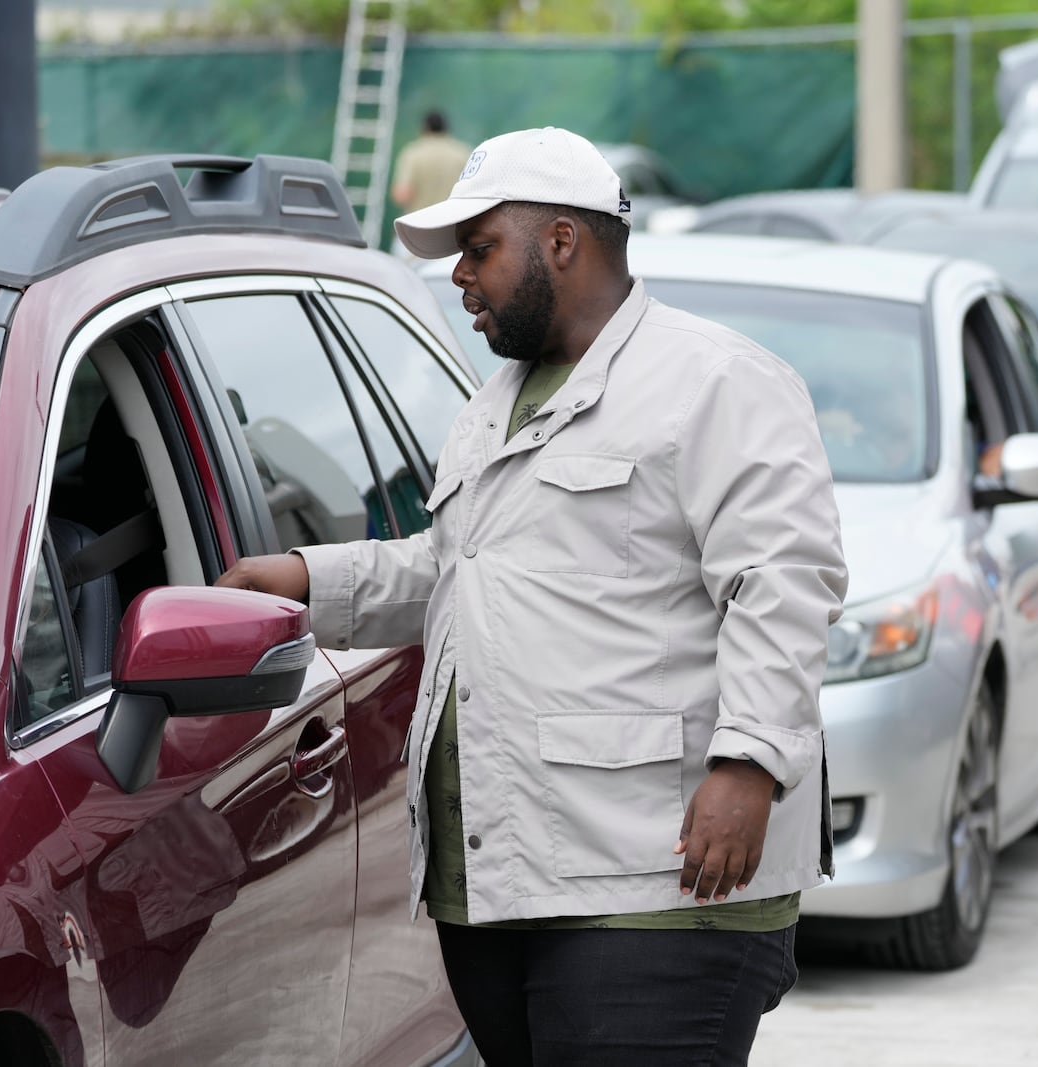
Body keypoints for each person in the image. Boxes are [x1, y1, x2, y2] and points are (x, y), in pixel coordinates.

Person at [216, 127, 847, 1065]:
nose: (462, 278)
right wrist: (313, 580)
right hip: (504, 885)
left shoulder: (714, 380)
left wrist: (749, 762)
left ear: (562, 240)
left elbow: (783, 582)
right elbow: (463, 570)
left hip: (655, 888)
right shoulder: (498, 399)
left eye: (480, 249)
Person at [390, 110, 473, 214]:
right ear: (447, 128)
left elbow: (402, 195)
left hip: (418, 223)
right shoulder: (463, 153)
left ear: (424, 128)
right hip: (454, 222)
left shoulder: (412, 154)